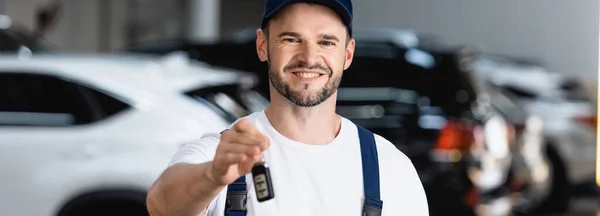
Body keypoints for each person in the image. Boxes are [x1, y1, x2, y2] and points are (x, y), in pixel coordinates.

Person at [146, 0, 429, 215]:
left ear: (348, 54)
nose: (309, 57)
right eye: (291, 39)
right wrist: (213, 176)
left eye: (326, 42)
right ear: (262, 45)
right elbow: (161, 204)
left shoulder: (391, 169)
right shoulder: (220, 155)